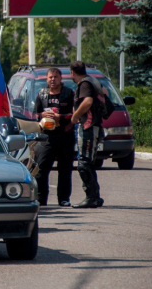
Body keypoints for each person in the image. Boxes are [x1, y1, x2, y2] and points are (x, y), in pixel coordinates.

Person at [33, 68, 75, 207]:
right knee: (41, 170)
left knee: (65, 170)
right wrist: (41, 115)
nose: (53, 80)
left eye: (55, 77)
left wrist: (60, 117)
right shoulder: (42, 94)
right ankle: (41, 199)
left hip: (65, 137)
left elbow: (74, 115)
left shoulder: (69, 93)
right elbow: (34, 114)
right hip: (47, 138)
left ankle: (63, 199)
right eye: (50, 77)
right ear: (46, 79)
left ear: (61, 78)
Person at [70, 61, 105, 209]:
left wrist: (75, 116)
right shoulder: (93, 81)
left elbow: (88, 101)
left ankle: (91, 197)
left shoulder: (84, 84)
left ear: (72, 72)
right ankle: (95, 196)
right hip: (94, 125)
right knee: (88, 162)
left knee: (83, 163)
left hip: (87, 126)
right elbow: (105, 93)